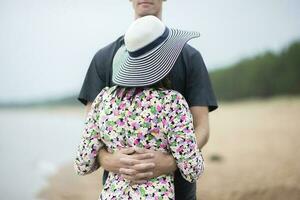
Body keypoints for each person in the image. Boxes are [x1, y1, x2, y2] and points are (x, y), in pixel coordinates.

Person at [76, 1, 218, 199]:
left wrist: (169, 162)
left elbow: (84, 157)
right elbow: (193, 167)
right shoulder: (172, 102)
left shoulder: (103, 100)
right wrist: (110, 160)